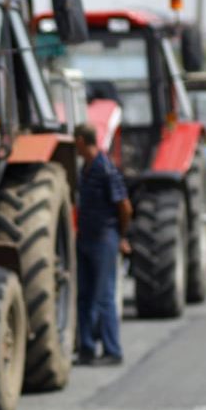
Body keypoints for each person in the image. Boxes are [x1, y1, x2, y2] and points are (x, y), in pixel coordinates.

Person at [73, 123, 131, 366]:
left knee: (105, 297)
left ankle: (112, 350)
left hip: (104, 239)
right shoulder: (84, 169)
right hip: (86, 238)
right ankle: (86, 347)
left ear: (80, 141)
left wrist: (121, 236)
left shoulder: (105, 169)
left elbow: (125, 207)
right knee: (84, 296)